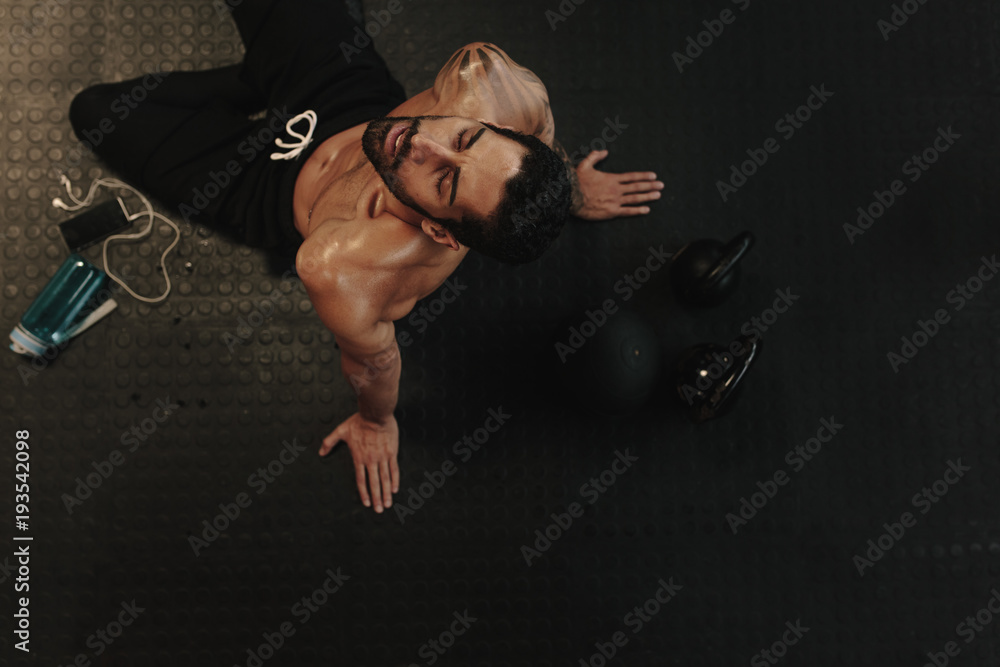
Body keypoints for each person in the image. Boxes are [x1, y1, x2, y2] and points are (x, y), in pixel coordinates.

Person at [68, 0, 663, 514]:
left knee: (94, 111)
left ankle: (253, 83)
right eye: (465, 138)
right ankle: (259, 77)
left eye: (445, 183)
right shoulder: (491, 88)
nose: (423, 143)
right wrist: (573, 194)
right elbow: (539, 132)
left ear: (442, 230)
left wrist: (377, 422)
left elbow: (374, 367)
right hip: (342, 97)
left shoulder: (345, 265)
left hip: (263, 187)